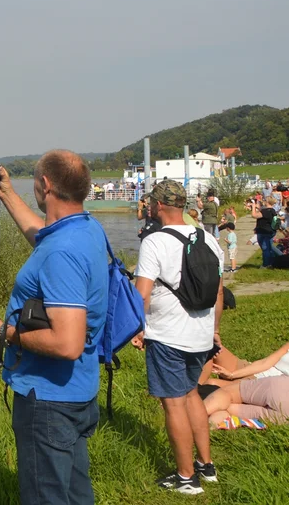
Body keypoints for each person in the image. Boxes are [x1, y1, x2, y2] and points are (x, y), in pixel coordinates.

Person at [0, 150, 107, 505]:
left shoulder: (61, 251)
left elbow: (67, 343)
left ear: (45, 184)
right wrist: (4, 191)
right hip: (77, 389)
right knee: (76, 491)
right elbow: (43, 235)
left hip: (49, 400)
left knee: (45, 497)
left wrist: (2, 332)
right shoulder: (86, 228)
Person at [131, 180, 224, 495]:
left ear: (157, 206)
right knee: (191, 394)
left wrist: (137, 328)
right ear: (183, 205)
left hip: (168, 336)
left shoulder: (154, 242)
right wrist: (213, 330)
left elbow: (141, 294)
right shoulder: (209, 240)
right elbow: (219, 293)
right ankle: (205, 466)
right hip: (200, 336)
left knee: (173, 404)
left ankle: (186, 479)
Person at [249, 196, 279, 267]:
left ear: (267, 202)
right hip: (270, 231)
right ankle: (272, 263)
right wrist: (257, 207)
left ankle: (266, 264)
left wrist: (253, 207)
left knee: (265, 248)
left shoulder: (265, 211)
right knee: (269, 247)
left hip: (263, 232)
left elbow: (254, 215)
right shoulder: (272, 210)